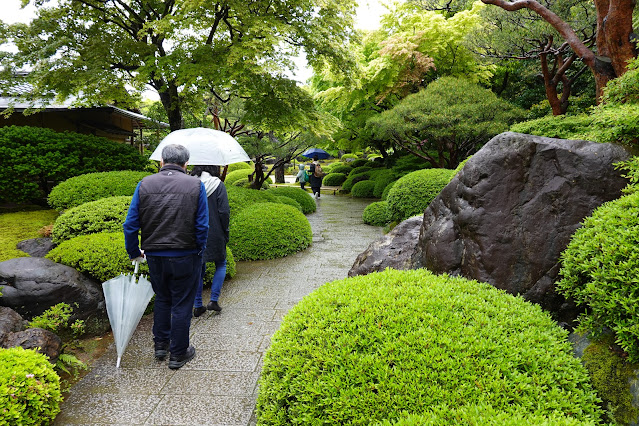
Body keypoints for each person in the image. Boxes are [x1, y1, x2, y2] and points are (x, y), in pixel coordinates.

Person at [123, 144, 209, 370]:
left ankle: (160, 345)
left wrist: (134, 252)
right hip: (186, 254)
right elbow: (202, 226)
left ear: (162, 161)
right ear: (186, 164)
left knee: (162, 298)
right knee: (181, 303)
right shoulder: (195, 185)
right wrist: (200, 250)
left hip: (154, 254)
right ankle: (178, 354)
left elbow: (130, 225)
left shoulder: (144, 184)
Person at [190, 165, 230, 317]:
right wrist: (225, 232)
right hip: (215, 231)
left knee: (198, 267)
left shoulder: (189, 183)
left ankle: (198, 305)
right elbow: (224, 212)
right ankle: (213, 300)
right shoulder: (218, 184)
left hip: (194, 232)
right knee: (221, 263)